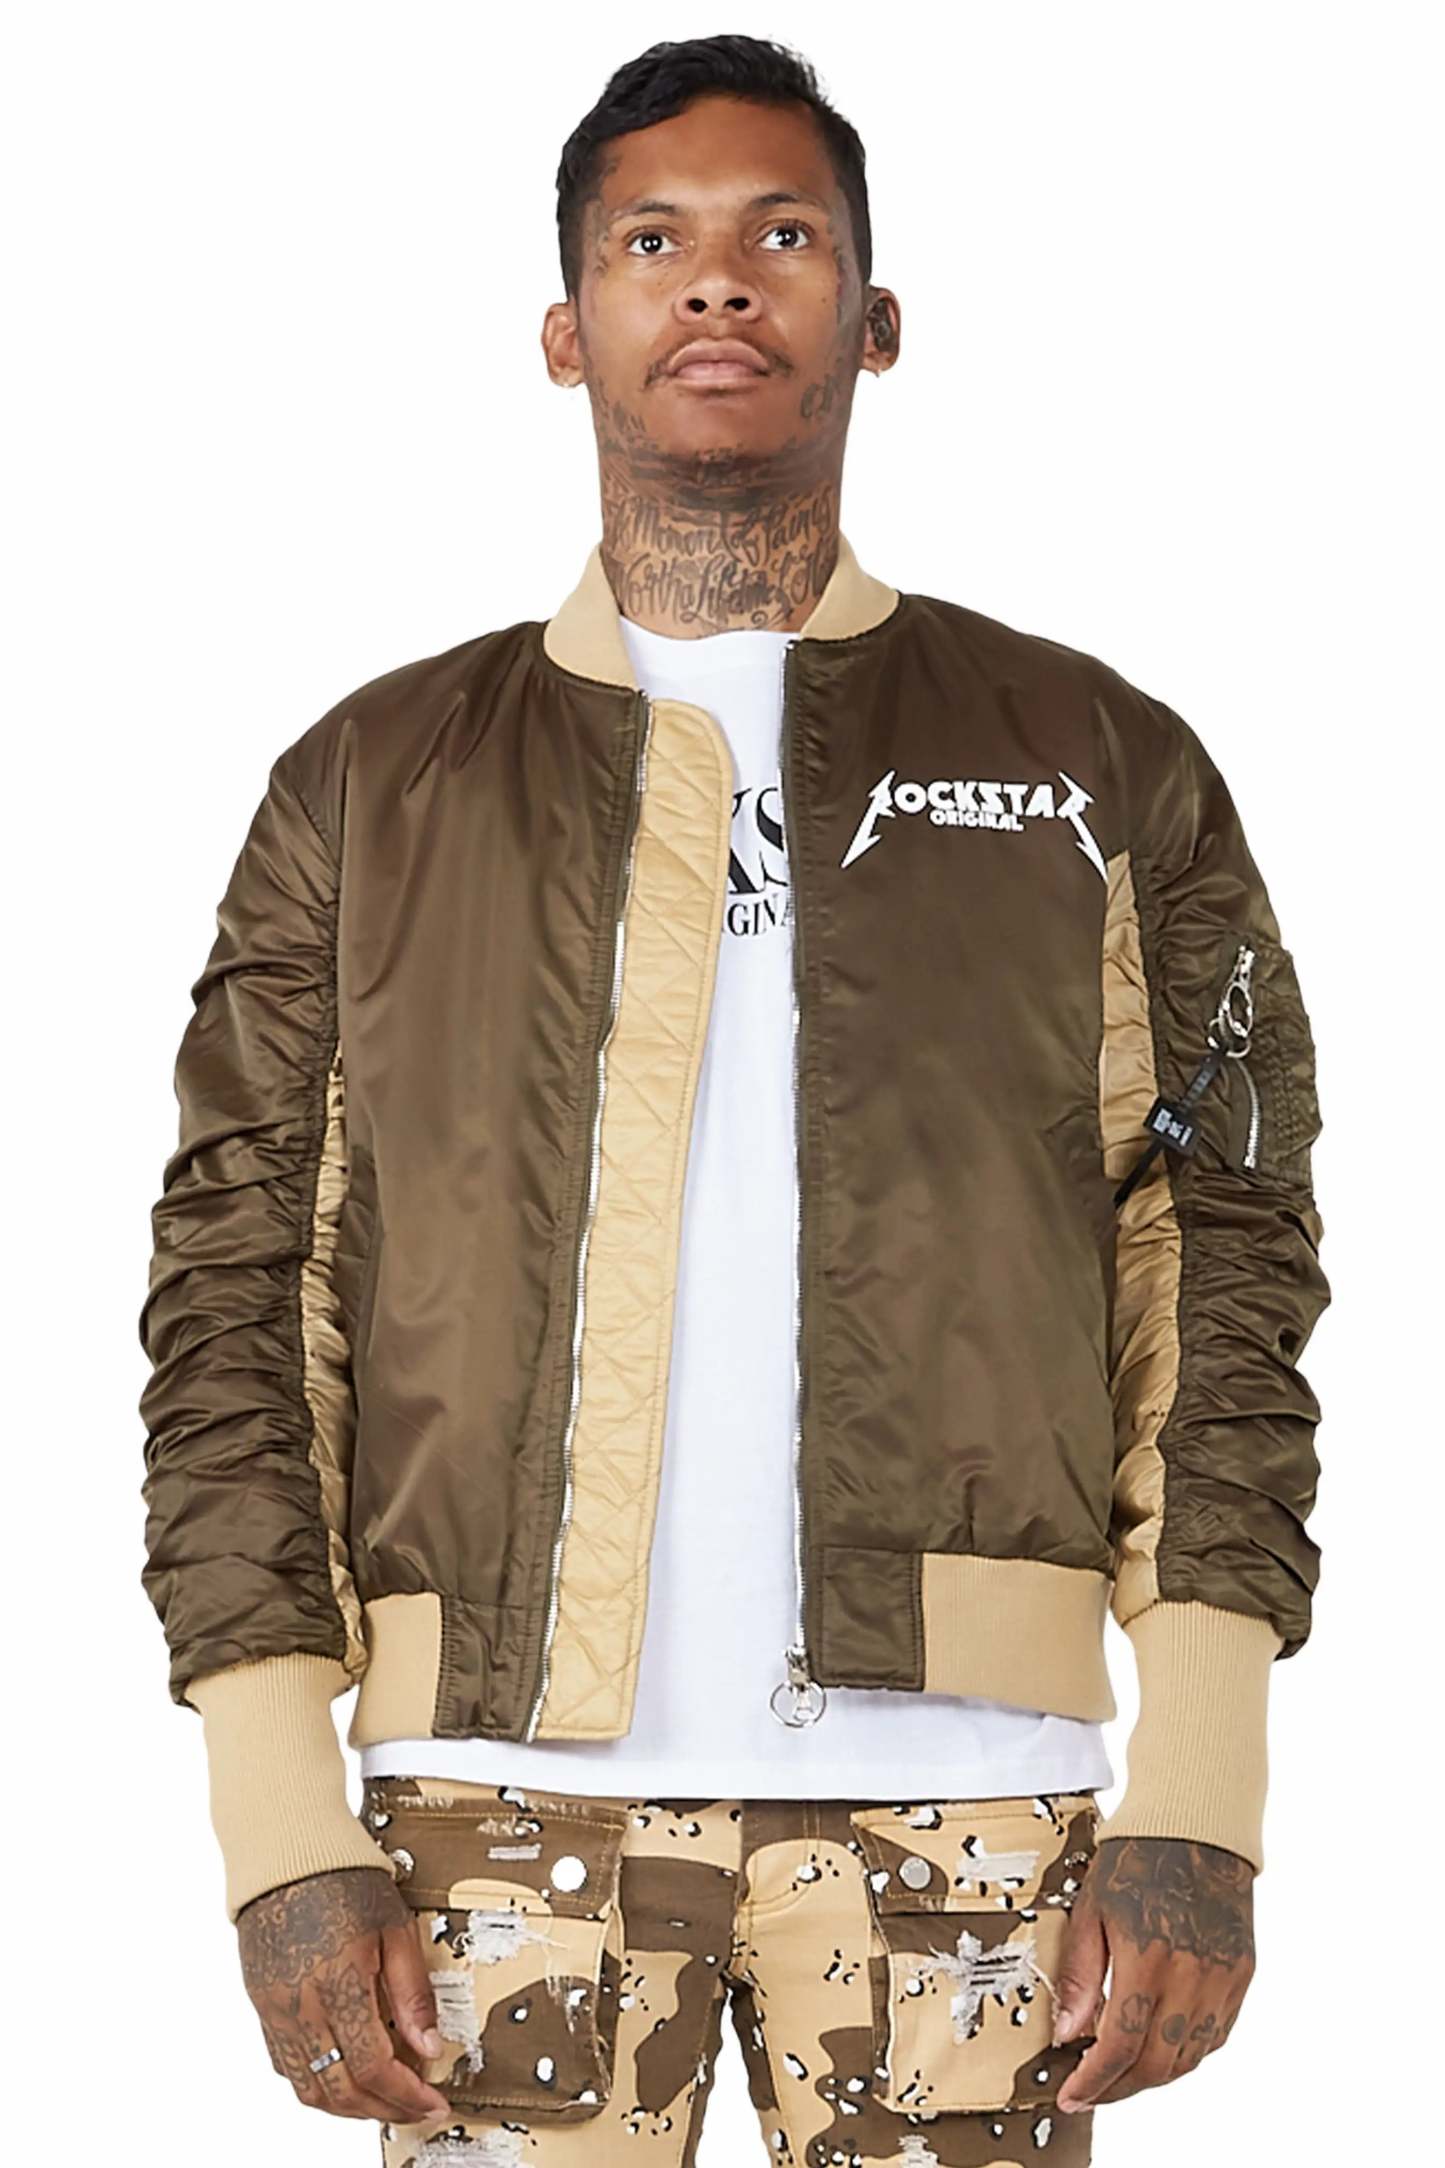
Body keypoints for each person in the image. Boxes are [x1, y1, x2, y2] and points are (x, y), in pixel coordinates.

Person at [136, 34, 1328, 2168]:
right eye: (650, 243)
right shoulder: (373, 784)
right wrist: (275, 1811)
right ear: (563, 326)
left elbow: (1224, 1257)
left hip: (977, 1814)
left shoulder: (1094, 758)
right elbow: (233, 1297)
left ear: (874, 318)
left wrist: (1205, 1785)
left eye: (782, 235)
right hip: (484, 1817)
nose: (715, 283)